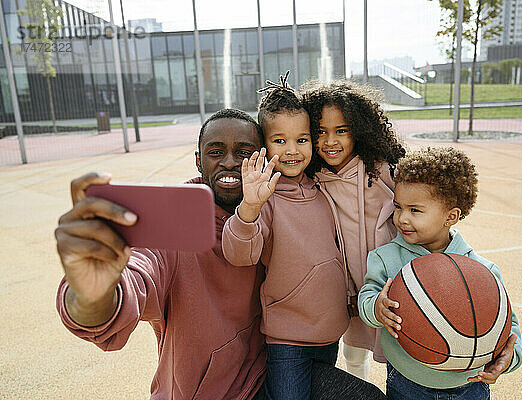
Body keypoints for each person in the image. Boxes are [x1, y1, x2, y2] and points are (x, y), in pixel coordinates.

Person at [54, 108, 385, 400]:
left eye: (243, 151)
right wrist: (91, 295)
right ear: (199, 159)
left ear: (262, 156)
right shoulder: (174, 221)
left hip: (271, 370)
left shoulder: (276, 201)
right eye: (215, 152)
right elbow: (137, 276)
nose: (229, 162)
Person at [221, 75, 352, 400]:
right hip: (287, 342)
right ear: (264, 145)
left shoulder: (323, 188)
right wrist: (250, 206)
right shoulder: (264, 197)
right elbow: (240, 254)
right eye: (280, 141)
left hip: (329, 334)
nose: (292, 151)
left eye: (302, 139)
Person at [357, 147, 522, 400]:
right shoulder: (386, 258)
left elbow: (507, 325)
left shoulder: (481, 272)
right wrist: (376, 308)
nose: (402, 218)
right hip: (406, 382)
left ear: (451, 216)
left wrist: (508, 359)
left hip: (470, 386)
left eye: (415, 210)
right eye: (399, 207)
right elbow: (367, 298)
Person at [301, 79, 406, 379]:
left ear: (358, 130)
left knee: (400, 352)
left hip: (391, 283)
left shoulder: (383, 172)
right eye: (320, 132)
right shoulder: (313, 178)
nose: (330, 141)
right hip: (347, 288)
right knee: (353, 351)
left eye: (341, 131)